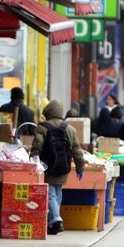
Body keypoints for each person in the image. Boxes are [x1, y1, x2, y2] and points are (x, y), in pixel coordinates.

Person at [31, 100, 85, 235]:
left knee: (50, 195)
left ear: (48, 113)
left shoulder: (42, 128)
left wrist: (33, 164)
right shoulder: (70, 129)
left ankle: (56, 220)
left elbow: (37, 148)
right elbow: (77, 150)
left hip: (47, 167)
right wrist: (80, 167)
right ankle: (52, 223)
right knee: (57, 194)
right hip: (63, 167)